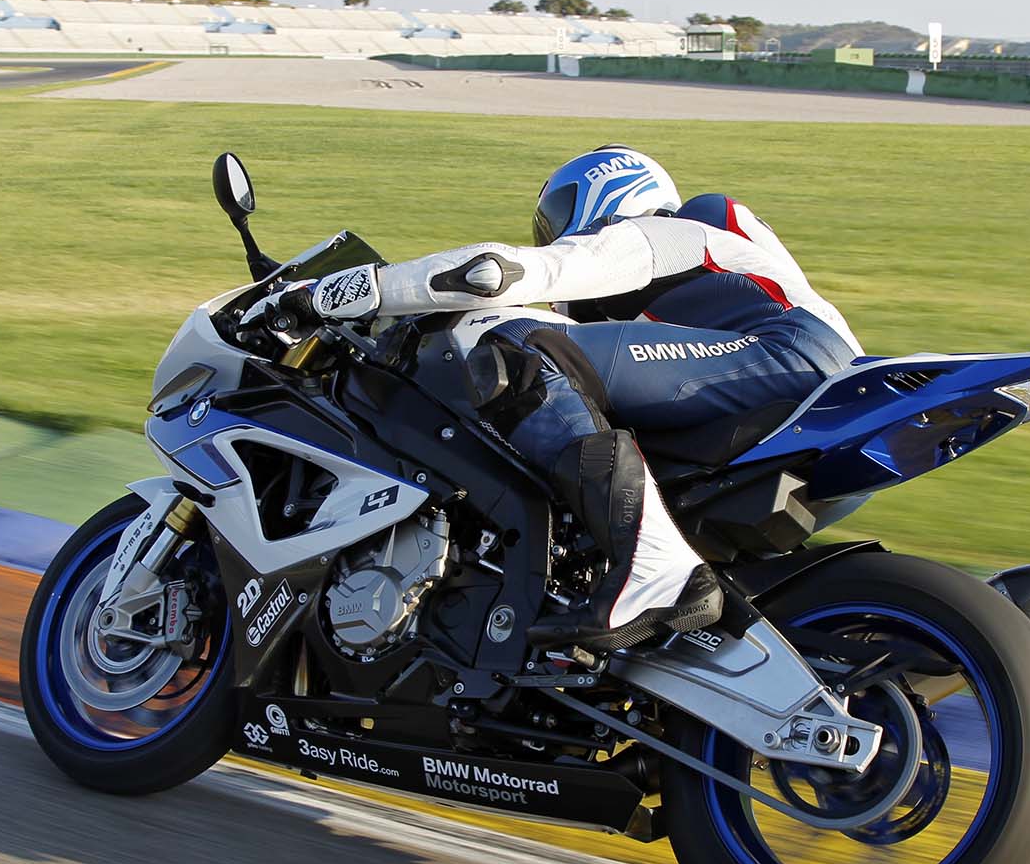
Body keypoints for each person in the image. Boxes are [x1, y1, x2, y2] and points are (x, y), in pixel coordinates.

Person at [257, 145, 862, 650]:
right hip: (784, 376)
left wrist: (335, 295)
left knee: (522, 353)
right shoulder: (689, 289)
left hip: (788, 351)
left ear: (606, 190)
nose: (553, 234)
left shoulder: (661, 233)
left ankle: (656, 567)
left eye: (554, 220)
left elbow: (490, 273)